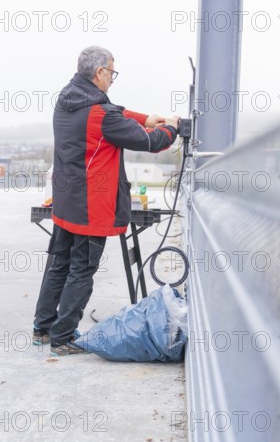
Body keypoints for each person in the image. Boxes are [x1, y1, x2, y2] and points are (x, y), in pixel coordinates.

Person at [33, 46, 179, 355]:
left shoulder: (67, 99)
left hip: (65, 203)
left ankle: (43, 328)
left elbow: (115, 113)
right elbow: (150, 141)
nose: (113, 79)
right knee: (81, 272)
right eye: (112, 73)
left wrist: (146, 117)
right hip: (91, 208)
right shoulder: (100, 115)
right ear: (99, 72)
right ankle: (63, 337)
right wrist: (171, 127)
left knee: (59, 265)